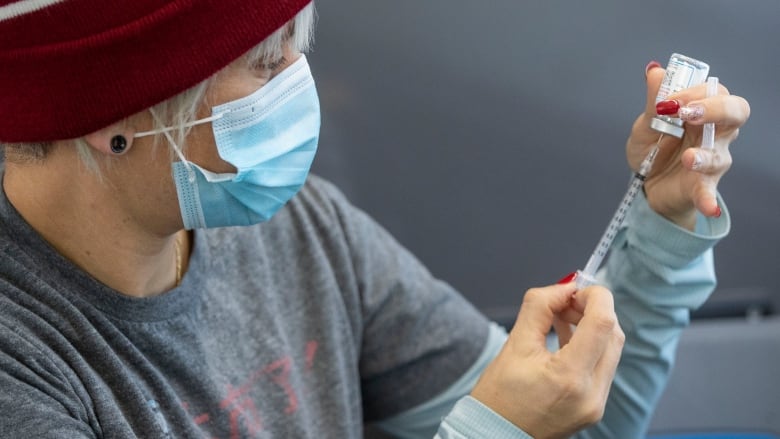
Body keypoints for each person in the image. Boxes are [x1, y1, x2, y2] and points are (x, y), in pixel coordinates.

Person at [0, 1, 750, 438]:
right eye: (265, 64)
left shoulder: (299, 232)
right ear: (111, 111)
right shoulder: (23, 370)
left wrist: (661, 215)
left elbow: (580, 420)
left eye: (300, 48)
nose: (301, 86)